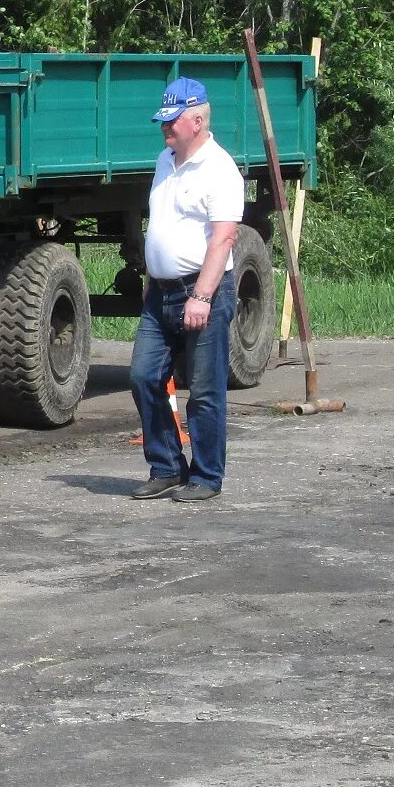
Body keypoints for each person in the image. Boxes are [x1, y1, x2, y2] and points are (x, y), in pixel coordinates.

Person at [130, 77, 247, 501]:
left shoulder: (220, 169)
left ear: (197, 120)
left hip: (203, 292)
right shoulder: (166, 160)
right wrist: (152, 278)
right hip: (160, 292)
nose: (164, 128)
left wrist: (201, 295)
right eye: (162, 121)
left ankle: (205, 476)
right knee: (143, 376)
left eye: (172, 121)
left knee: (204, 390)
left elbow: (224, 239)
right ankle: (165, 467)